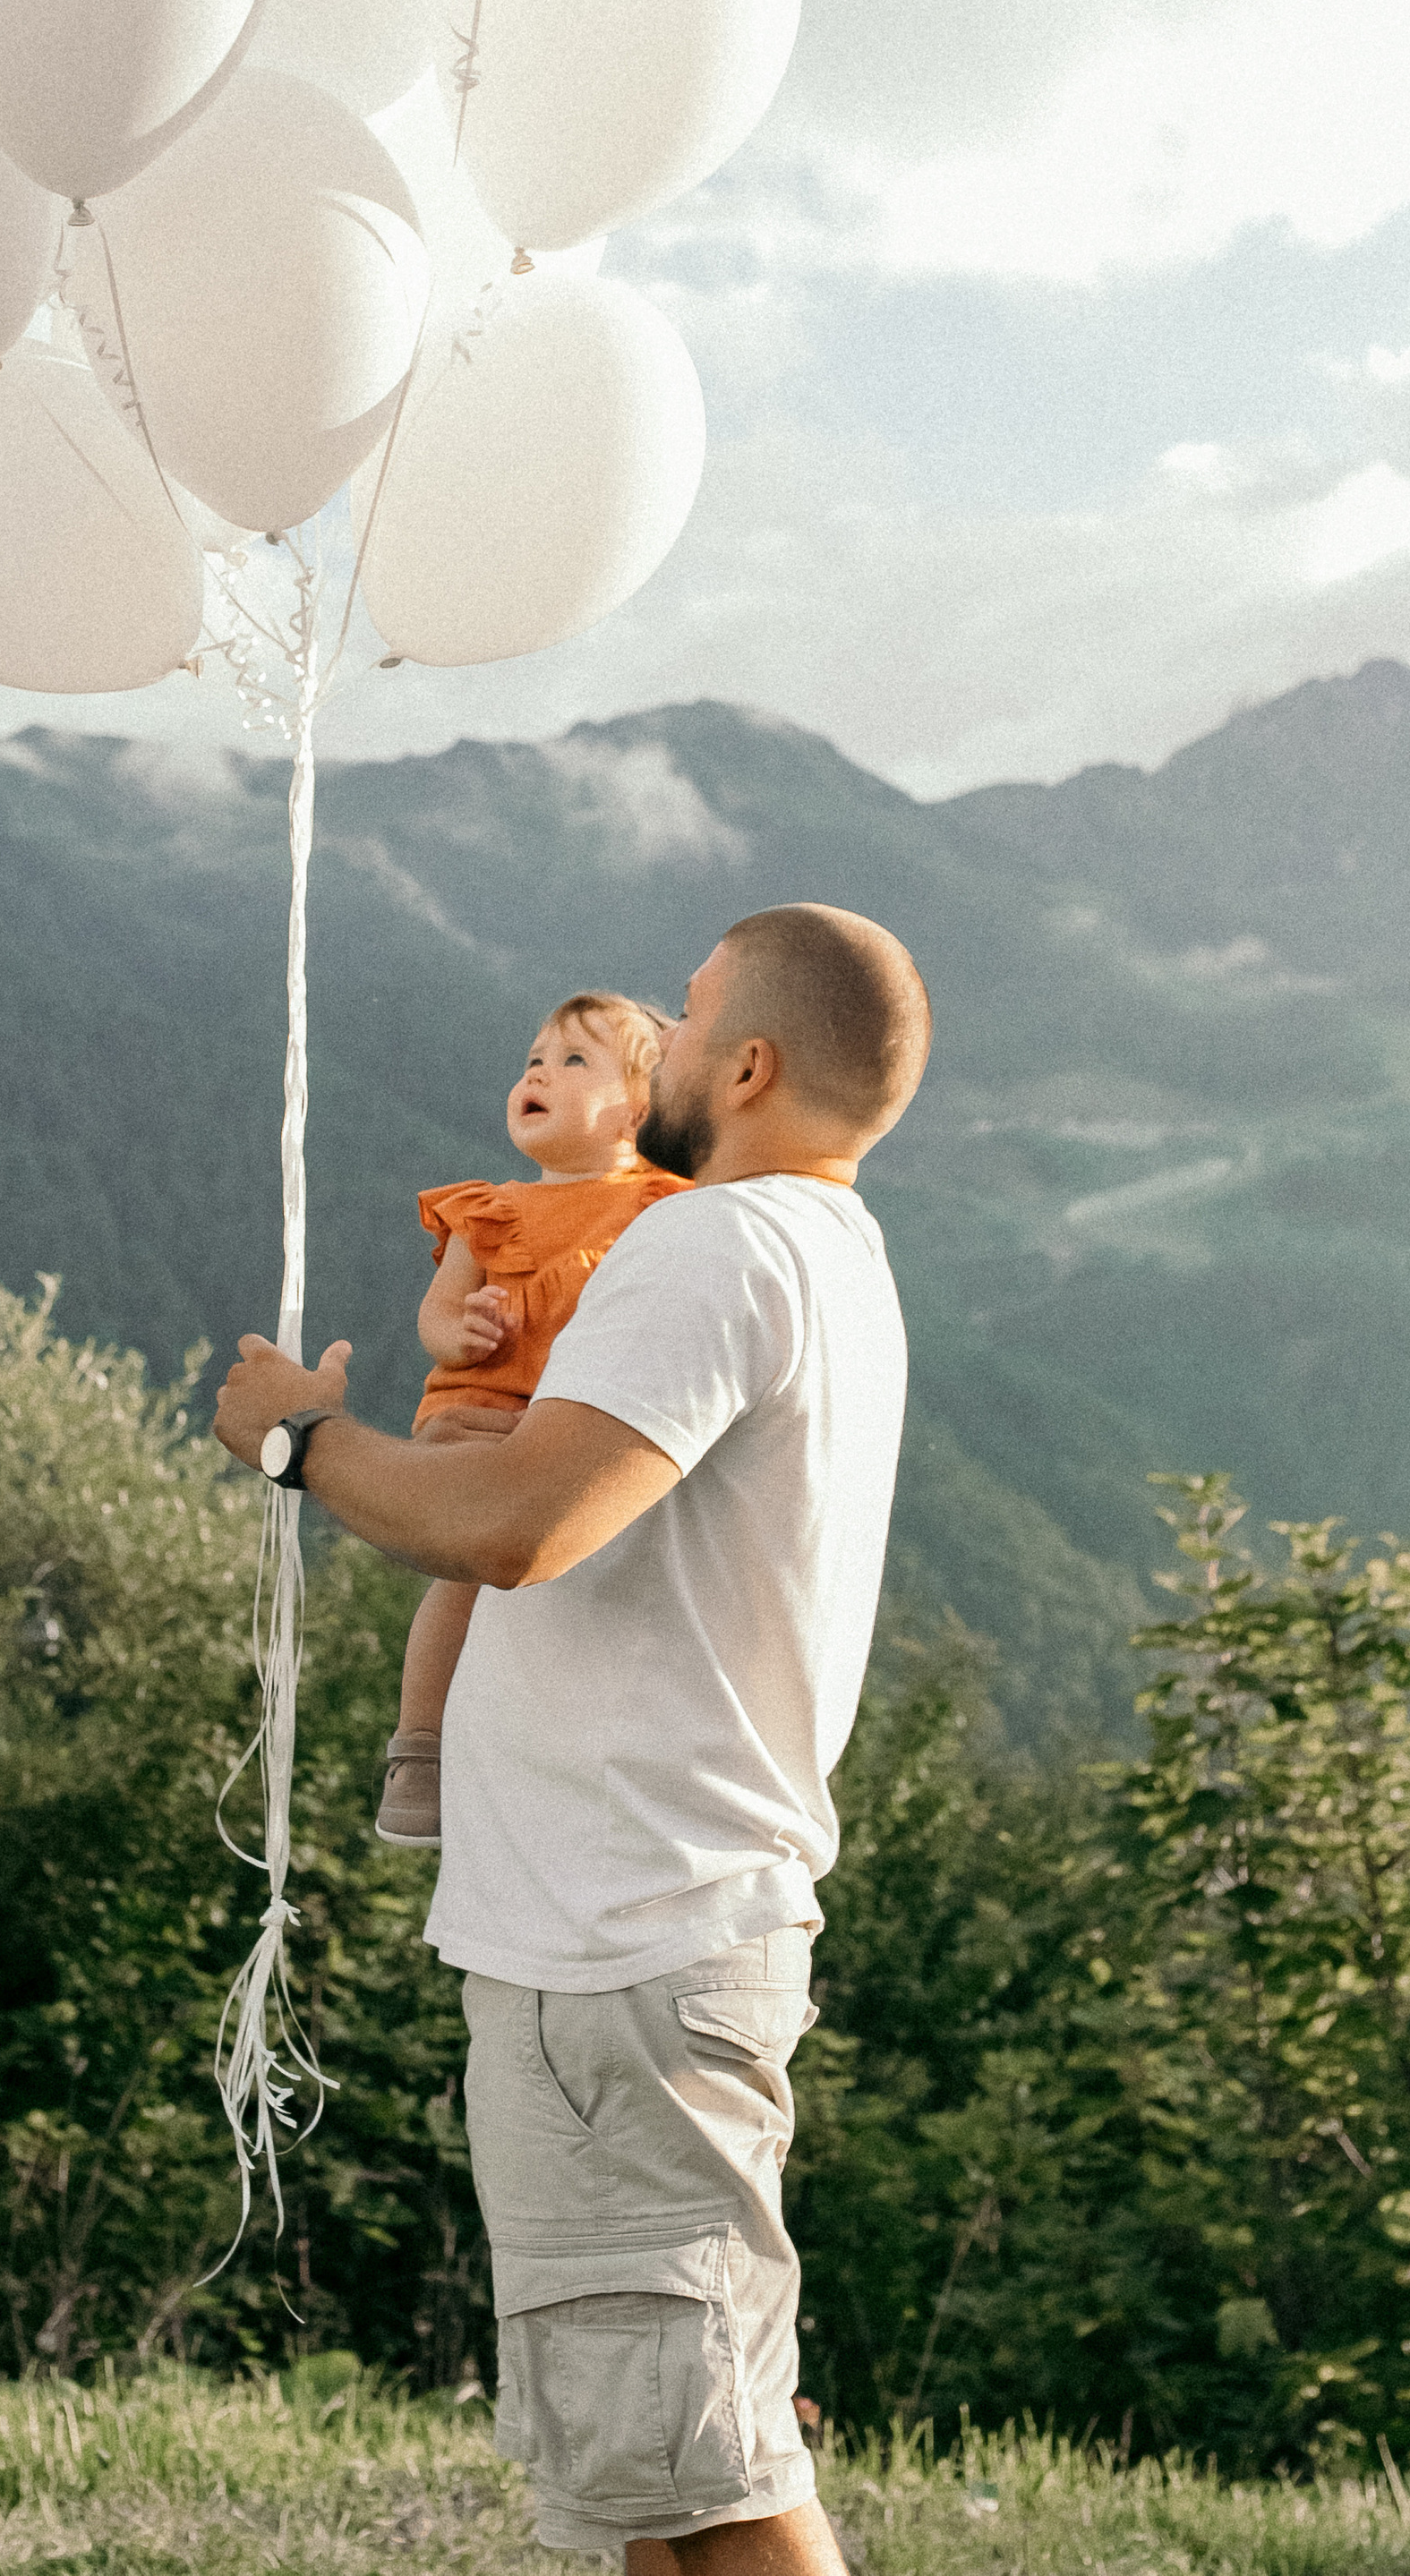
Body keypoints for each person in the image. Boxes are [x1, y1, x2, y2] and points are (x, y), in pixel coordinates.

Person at [214, 901, 933, 2576]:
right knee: (648, 2486)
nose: (662, 1051)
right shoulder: (830, 1252)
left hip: (633, 1946)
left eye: (684, 1025)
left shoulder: (712, 1243)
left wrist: (299, 1445)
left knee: (719, 2476)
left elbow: (529, 1520)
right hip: (637, 1938)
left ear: (747, 1065)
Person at [378, 988, 685, 1847]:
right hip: (480, 1417)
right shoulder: (492, 1210)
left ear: (637, 1108)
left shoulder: (664, 1204)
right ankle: (421, 1751)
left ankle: (565, 1765)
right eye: (533, 1062)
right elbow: (435, 1320)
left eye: (573, 1061)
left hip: (574, 1427)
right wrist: (463, 1331)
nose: (540, 1073)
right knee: (465, 1581)